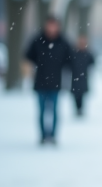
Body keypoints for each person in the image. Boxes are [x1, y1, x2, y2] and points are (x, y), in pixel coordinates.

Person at [25, 16, 73, 145]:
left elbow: (70, 60)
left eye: (54, 25)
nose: (52, 28)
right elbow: (28, 56)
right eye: (50, 25)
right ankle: (42, 135)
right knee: (41, 111)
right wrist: (29, 70)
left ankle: (53, 135)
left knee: (55, 111)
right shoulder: (38, 40)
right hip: (40, 81)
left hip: (56, 82)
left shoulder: (63, 42)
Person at [70, 35, 95, 117]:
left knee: (82, 94)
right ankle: (77, 109)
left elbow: (92, 62)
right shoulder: (73, 53)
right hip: (75, 77)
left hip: (84, 77)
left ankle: (81, 109)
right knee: (76, 94)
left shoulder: (87, 53)